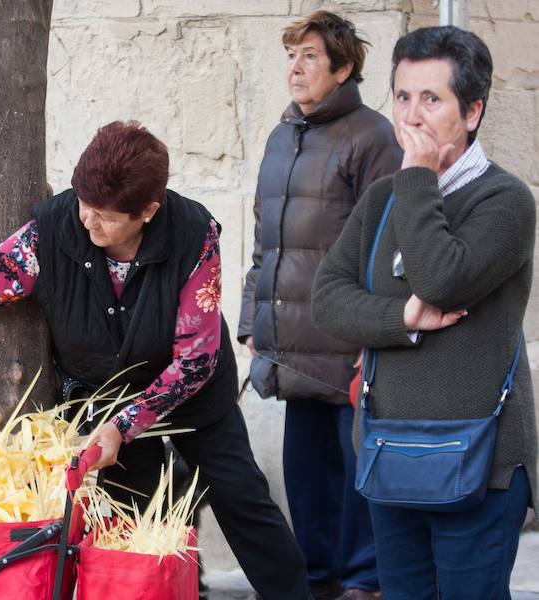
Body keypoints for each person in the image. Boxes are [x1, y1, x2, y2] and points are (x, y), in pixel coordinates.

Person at [0, 121, 311, 599]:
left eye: (106, 216)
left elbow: (195, 360)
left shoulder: (194, 237)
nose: (88, 222)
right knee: (133, 522)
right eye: (84, 206)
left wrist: (127, 424)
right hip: (102, 399)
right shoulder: (49, 235)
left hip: (191, 394)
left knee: (241, 496)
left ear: (148, 212)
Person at [311, 26, 537, 599]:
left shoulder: (505, 201)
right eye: (403, 96)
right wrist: (403, 319)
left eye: (431, 99)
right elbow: (328, 300)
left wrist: (416, 176)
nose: (411, 116)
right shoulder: (383, 199)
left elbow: (441, 277)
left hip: (479, 465)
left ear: (474, 110)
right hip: (392, 457)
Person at [237, 11, 401, 600]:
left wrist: (372, 332)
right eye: (292, 55)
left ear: (344, 67)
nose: (296, 68)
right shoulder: (284, 136)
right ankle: (315, 577)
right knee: (305, 471)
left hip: (346, 335)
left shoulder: (373, 136)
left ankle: (363, 582)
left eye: (310, 56)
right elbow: (264, 241)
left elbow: (385, 243)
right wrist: (252, 319)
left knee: (357, 467)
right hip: (292, 341)